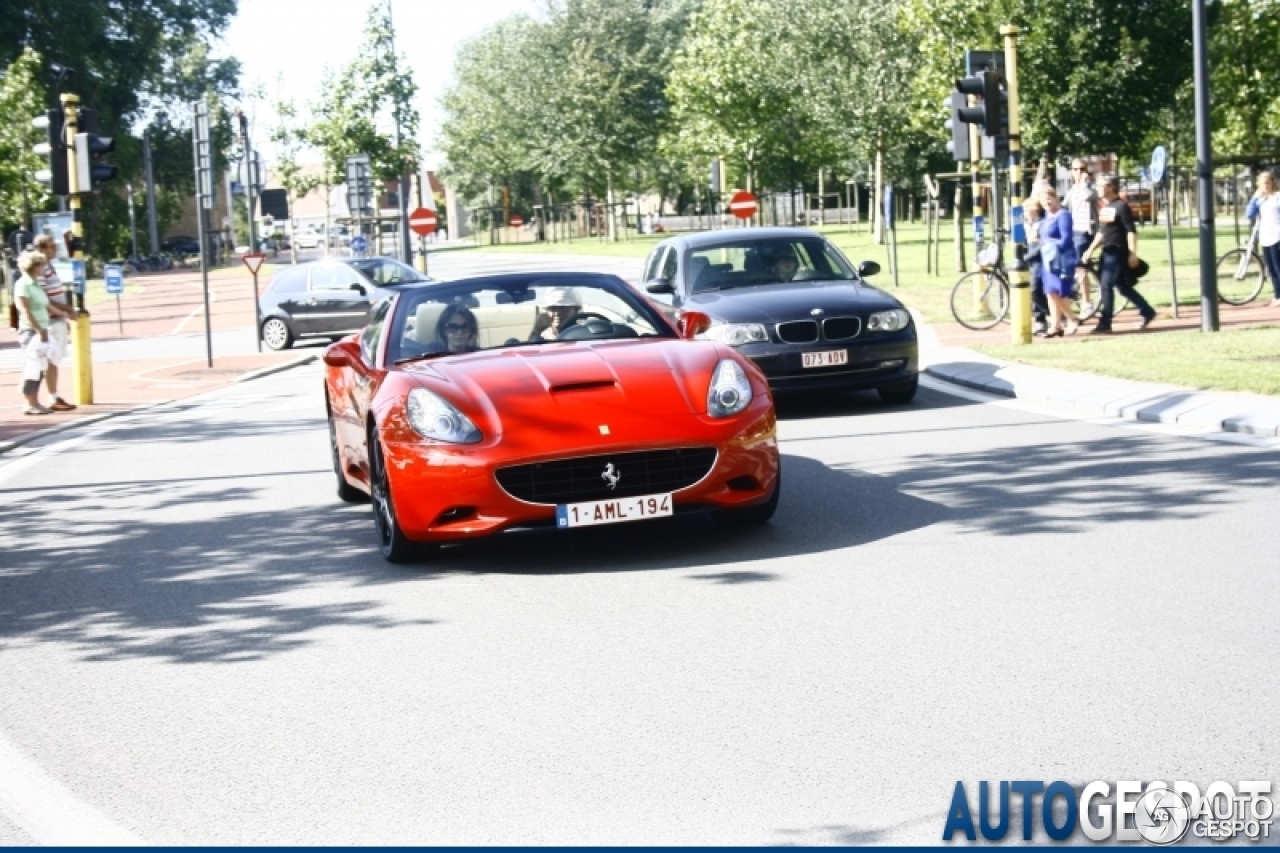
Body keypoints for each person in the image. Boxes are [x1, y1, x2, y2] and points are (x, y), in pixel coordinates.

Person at [13, 251, 76, 415]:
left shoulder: (35, 285)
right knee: (32, 367)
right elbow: (25, 310)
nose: (43, 268)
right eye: (41, 264)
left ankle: (35, 401)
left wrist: (66, 315)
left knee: (42, 367)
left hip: (42, 330)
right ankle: (29, 403)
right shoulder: (23, 285)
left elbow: (47, 306)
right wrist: (38, 330)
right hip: (31, 332)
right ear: (34, 266)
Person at [32, 234, 76, 411]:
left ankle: (53, 396)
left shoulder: (48, 266)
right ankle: (50, 397)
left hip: (56, 318)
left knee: (54, 360)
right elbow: (44, 298)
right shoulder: (40, 270)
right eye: (51, 247)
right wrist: (65, 309)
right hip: (49, 321)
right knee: (49, 361)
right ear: (41, 249)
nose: (54, 250)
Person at [1039, 188, 1080, 336]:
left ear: (1056, 198)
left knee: (1060, 292)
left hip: (1061, 260)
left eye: (1050, 198)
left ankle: (1072, 318)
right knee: (1050, 292)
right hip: (1048, 260)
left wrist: (1049, 243)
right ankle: (1055, 325)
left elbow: (1066, 239)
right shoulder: (1046, 217)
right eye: (1044, 200)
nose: (1047, 202)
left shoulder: (1063, 215)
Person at [1063, 159, 1099, 313]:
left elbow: (1087, 196)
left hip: (1085, 231)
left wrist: (1084, 183)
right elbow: (1064, 207)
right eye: (1075, 169)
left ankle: (1087, 303)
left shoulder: (1091, 188)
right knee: (1072, 266)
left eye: (1082, 169)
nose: (1079, 172)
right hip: (1073, 231)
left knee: (1081, 267)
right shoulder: (1072, 190)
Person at [1247, 170, 1280, 306]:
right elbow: (1249, 214)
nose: (1265, 186)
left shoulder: (1278, 197)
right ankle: (1277, 295)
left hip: (1277, 235)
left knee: (1278, 267)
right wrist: (1255, 198)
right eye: (1262, 183)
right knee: (1271, 268)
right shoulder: (1260, 200)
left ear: (1272, 182)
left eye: (1267, 182)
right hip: (1265, 236)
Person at [1024, 199, 1050, 336]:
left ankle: (1043, 317)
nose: (1025, 214)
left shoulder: (1041, 224)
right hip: (1031, 259)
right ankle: (1041, 317)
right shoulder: (1028, 224)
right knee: (1035, 290)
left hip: (1039, 260)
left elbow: (1041, 244)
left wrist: (1029, 256)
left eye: (1026, 211)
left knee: (1035, 289)